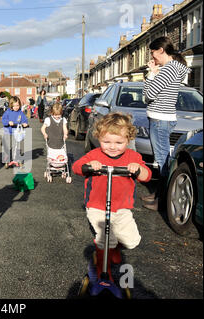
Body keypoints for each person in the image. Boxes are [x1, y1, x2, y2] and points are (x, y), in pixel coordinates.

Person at [72, 112, 152, 282]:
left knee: (132, 241)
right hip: (97, 206)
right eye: (106, 142)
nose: (112, 147)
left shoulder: (133, 157)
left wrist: (137, 168)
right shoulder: (95, 155)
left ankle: (113, 248)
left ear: (128, 140)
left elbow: (147, 175)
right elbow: (77, 167)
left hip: (122, 207)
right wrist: (89, 166)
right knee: (103, 241)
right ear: (98, 138)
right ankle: (103, 270)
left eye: (119, 142)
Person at [142, 36, 190, 211]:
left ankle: (162, 202)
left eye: (153, 52)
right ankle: (157, 195)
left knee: (162, 162)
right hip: (162, 118)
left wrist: (151, 74)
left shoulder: (169, 69)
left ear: (161, 50)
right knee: (161, 160)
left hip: (160, 119)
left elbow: (149, 94)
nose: (152, 57)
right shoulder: (172, 68)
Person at [1, 96, 28, 167]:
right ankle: (6, 160)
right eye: (14, 106)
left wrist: (25, 124)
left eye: (18, 105)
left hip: (16, 132)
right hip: (7, 131)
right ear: (11, 105)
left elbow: (24, 120)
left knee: (16, 146)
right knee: (6, 146)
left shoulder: (20, 113)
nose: (16, 107)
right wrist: (8, 122)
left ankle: (16, 159)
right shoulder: (8, 112)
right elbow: (3, 120)